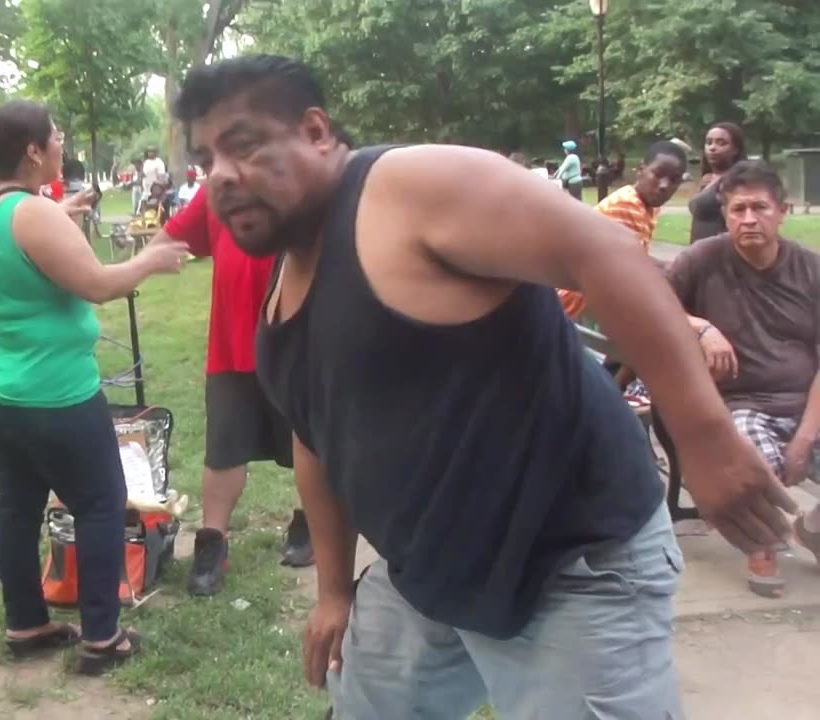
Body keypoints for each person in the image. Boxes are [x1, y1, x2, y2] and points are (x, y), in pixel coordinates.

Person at [174, 54, 797, 718]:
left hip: (569, 565)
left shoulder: (406, 188)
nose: (222, 175)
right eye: (207, 158)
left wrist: (705, 438)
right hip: (427, 578)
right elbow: (316, 446)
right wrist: (334, 592)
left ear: (317, 132)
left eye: (242, 145)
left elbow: (603, 254)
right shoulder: (285, 291)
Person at [0, 100, 188, 676]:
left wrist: (63, 212)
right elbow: (98, 284)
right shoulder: (33, 215)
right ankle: (103, 638)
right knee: (101, 502)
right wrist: (152, 259)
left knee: (17, 503)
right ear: (34, 151)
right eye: (56, 137)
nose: (62, 145)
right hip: (49, 393)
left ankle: (27, 624)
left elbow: (26, 249)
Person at [665, 159, 820, 598]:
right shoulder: (703, 259)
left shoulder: (811, 270)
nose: (748, 219)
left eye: (759, 208)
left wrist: (806, 437)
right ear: (725, 212)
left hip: (806, 401)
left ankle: (811, 529)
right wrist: (701, 327)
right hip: (739, 403)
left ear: (783, 211)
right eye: (737, 210)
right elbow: (652, 304)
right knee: (749, 451)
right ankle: (764, 545)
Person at [152, 180, 314, 597]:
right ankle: (213, 541)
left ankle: (311, 522)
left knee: (309, 442)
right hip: (232, 343)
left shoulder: (304, 181)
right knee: (223, 447)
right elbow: (170, 238)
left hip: (301, 340)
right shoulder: (219, 189)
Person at [559, 140, 688, 318]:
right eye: (658, 174)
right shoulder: (628, 204)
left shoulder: (648, 205)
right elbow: (639, 274)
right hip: (566, 304)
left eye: (674, 180)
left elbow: (639, 260)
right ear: (641, 170)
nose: (664, 185)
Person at [689, 122, 748, 243]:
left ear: (735, 149)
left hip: (721, 254)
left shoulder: (737, 181)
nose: (712, 147)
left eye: (721, 143)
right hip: (699, 254)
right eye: (708, 142)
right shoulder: (708, 179)